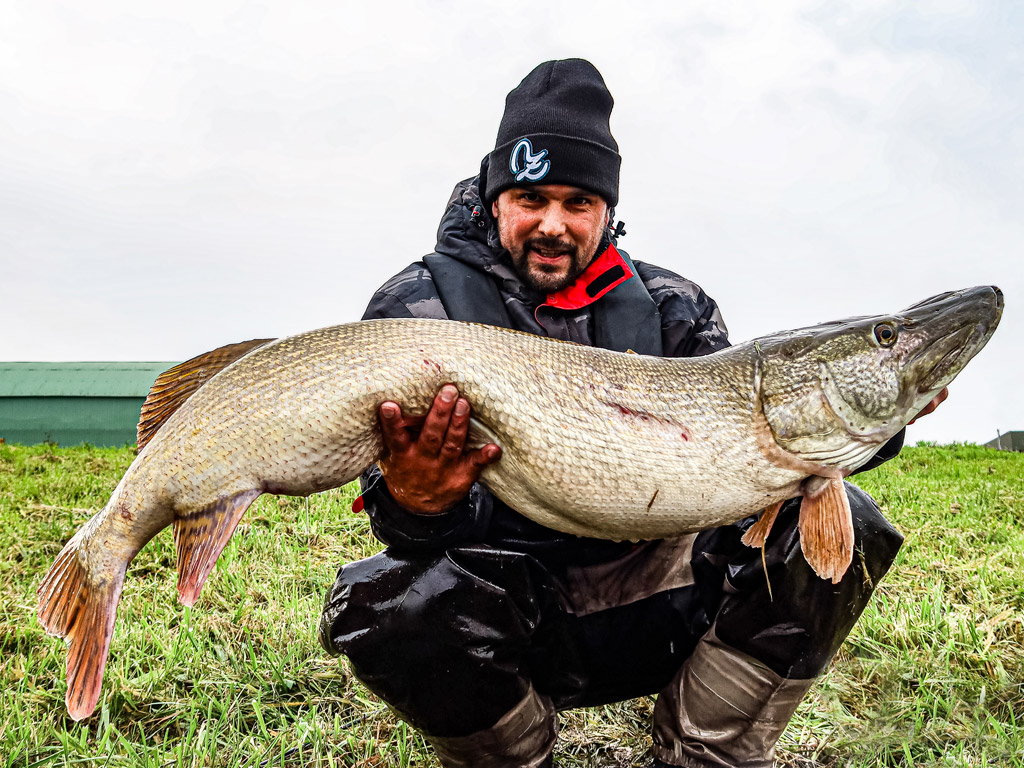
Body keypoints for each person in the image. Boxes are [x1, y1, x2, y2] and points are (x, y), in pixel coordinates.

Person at [319, 59, 939, 768]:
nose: (553, 224)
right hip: (514, 616)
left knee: (845, 527)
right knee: (393, 601)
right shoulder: (415, 311)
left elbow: (763, 443)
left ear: (607, 209)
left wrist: (879, 414)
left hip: (659, 598)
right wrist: (419, 502)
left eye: (578, 202)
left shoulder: (675, 307)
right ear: (493, 199)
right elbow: (394, 516)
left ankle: (703, 752)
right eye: (530, 197)